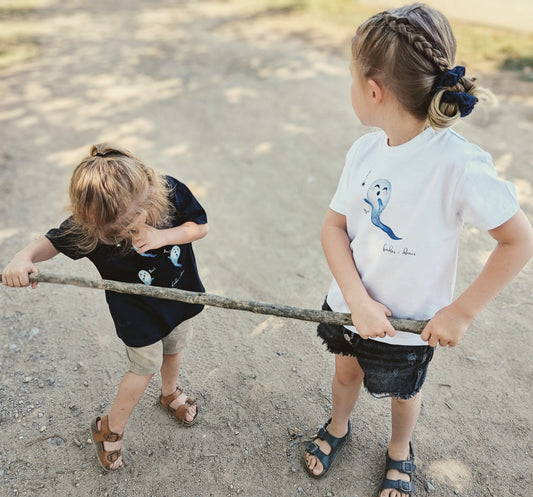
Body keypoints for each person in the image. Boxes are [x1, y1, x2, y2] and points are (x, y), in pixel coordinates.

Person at [303, 4, 533, 497]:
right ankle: (339, 426)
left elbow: (518, 239)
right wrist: (357, 301)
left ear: (372, 90)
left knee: (404, 395)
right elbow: (333, 227)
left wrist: (461, 312)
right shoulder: (364, 151)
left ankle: (399, 450)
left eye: (350, 78)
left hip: (411, 327)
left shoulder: (459, 165)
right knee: (345, 371)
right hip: (351, 307)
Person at [1, 143, 209, 471]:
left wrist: (163, 236)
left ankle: (170, 392)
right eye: (115, 233)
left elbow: (200, 227)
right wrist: (21, 258)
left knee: (175, 346)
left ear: (149, 194)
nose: (123, 235)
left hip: (179, 294)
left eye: (130, 226)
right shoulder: (90, 225)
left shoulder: (168, 191)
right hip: (136, 312)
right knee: (143, 367)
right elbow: (49, 244)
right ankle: (110, 428)